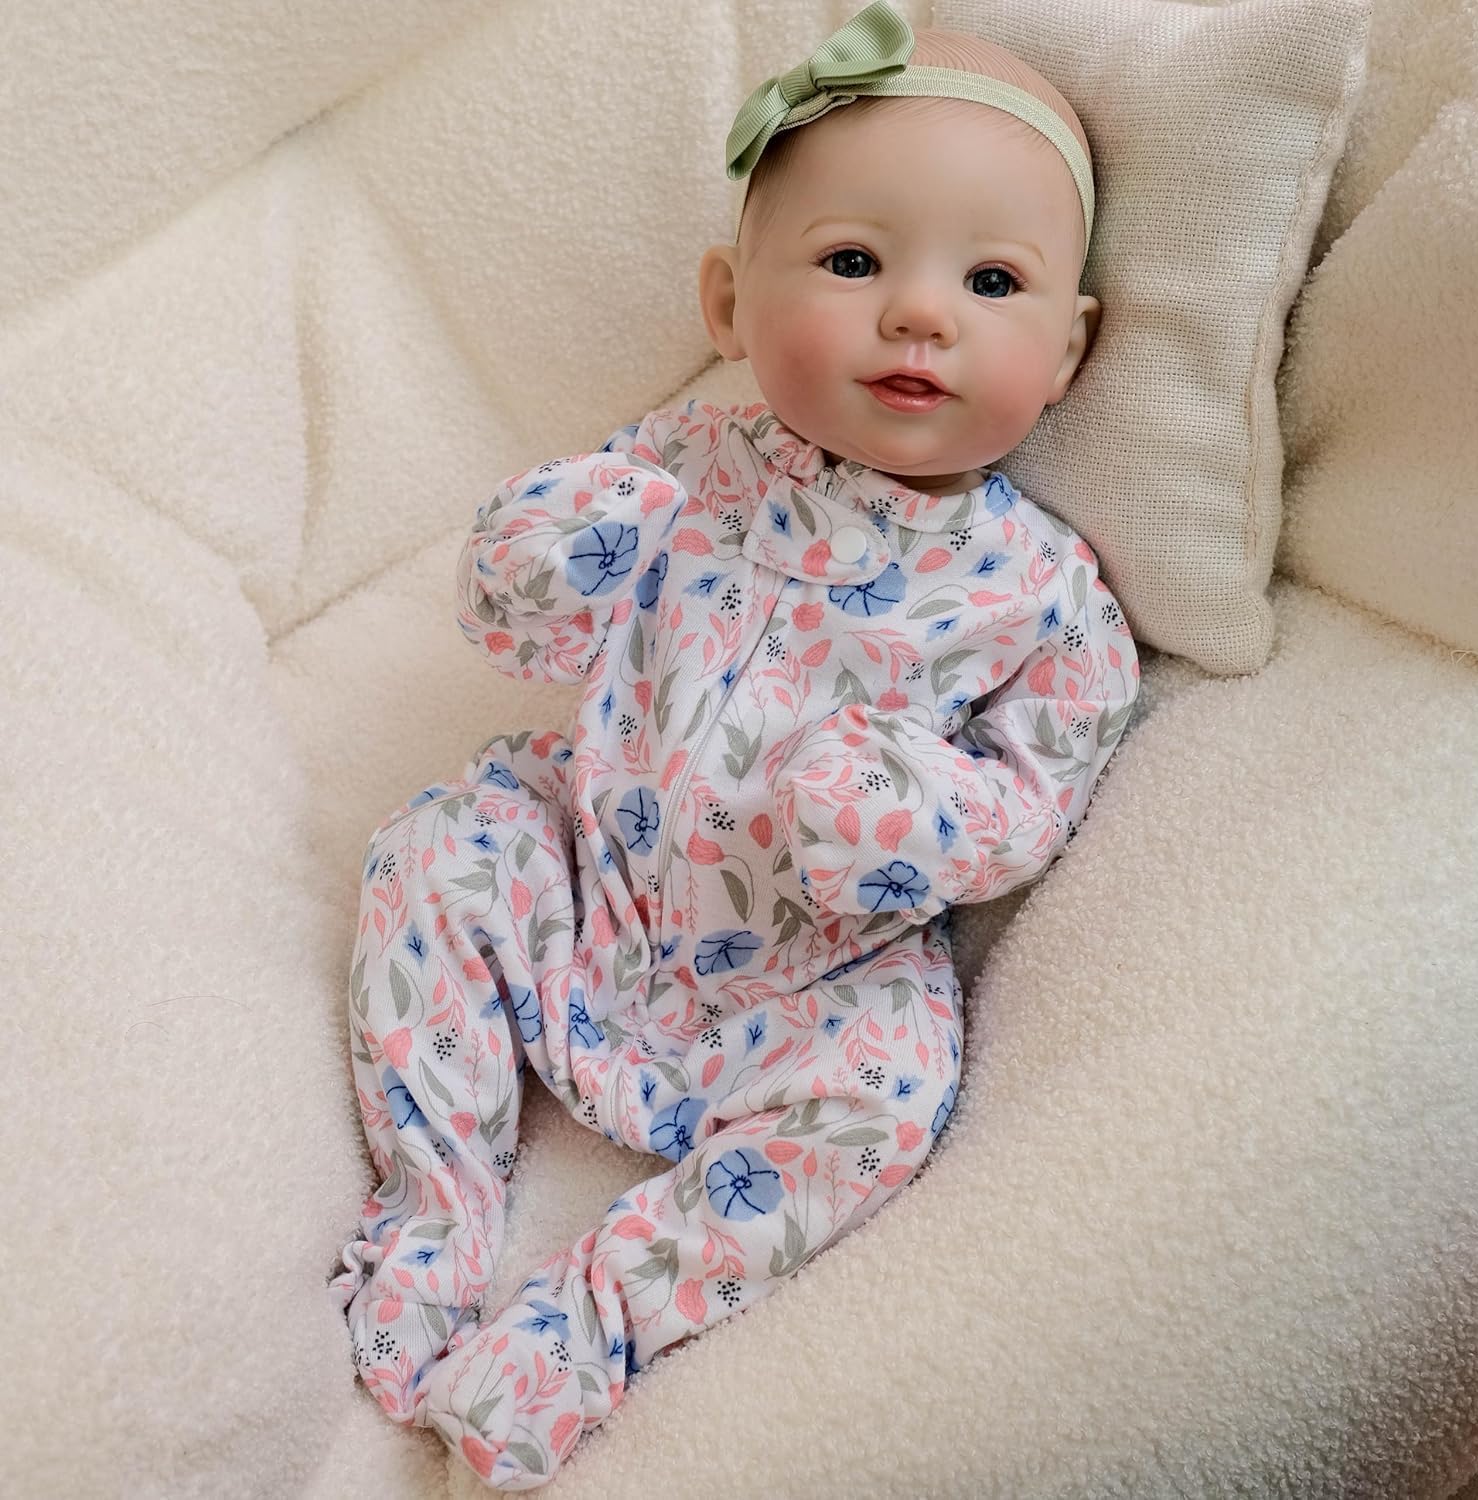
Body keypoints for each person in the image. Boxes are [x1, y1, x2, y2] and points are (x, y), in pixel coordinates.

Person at [328, 2, 1139, 1488]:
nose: (920, 313)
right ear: (729, 304)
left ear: (1071, 350)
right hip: (592, 889)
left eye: (992, 280)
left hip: (805, 983)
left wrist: (908, 808)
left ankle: (581, 1329)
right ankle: (435, 1217)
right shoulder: (684, 465)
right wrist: (550, 547)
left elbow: (1035, 800)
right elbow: (525, 627)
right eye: (854, 261)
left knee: (889, 1096)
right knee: (438, 849)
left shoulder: (1042, 592)